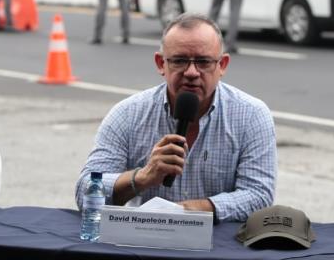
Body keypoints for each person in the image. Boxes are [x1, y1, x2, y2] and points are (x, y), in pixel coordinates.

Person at [75, 13, 276, 222]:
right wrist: (142, 177)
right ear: (161, 63)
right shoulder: (127, 114)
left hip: (219, 240)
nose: (191, 72)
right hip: (146, 236)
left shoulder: (251, 115)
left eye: (203, 62)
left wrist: (190, 211)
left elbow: (259, 195)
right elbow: (84, 193)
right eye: (179, 61)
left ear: (222, 65)